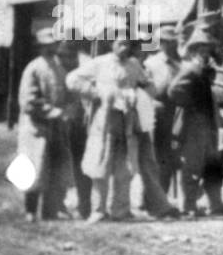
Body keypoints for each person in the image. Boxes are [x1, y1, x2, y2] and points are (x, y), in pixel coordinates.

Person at [67, 34, 178, 222]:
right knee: (101, 165)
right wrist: (96, 93)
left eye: (127, 43)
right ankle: (99, 210)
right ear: (112, 44)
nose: (124, 47)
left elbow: (149, 85)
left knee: (125, 167)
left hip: (128, 121)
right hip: (105, 121)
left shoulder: (134, 65)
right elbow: (72, 79)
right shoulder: (99, 63)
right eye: (120, 43)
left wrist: (140, 94)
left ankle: (121, 210)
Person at [169, 27, 223, 217]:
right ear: (193, 51)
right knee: (192, 166)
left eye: (207, 50)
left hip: (208, 124)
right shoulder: (190, 70)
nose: (205, 53)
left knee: (212, 164)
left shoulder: (205, 70)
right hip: (193, 125)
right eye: (201, 50)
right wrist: (191, 106)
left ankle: (214, 205)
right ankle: (188, 206)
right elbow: (174, 91)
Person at [15, 29, 71, 222]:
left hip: (56, 129)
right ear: (40, 46)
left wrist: (66, 111)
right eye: (46, 45)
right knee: (34, 169)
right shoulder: (33, 68)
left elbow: (66, 95)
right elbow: (29, 101)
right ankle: (30, 210)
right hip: (36, 128)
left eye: (53, 44)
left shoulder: (59, 68)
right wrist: (51, 112)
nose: (51, 47)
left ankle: (50, 211)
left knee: (55, 169)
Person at [143, 23, 182, 194]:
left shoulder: (181, 63)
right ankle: (151, 196)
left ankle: (162, 195)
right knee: (156, 156)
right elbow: (144, 89)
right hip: (158, 109)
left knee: (172, 154)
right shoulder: (151, 63)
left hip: (177, 111)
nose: (169, 45)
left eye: (172, 41)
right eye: (165, 41)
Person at [57, 39, 93, 220]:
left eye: (69, 56)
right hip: (59, 121)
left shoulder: (87, 64)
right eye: (62, 56)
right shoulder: (54, 65)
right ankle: (59, 204)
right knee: (61, 164)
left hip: (81, 123)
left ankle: (84, 205)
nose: (65, 59)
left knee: (81, 166)